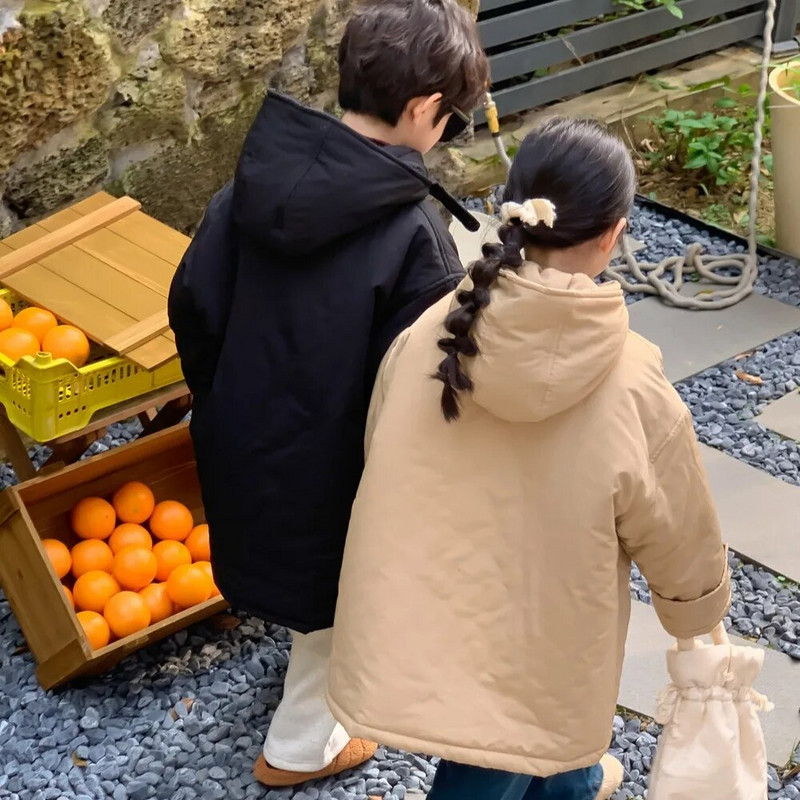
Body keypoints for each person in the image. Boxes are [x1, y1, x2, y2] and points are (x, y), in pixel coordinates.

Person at [328, 118, 732, 800]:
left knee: (518, 731)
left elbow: (382, 453)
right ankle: (564, 777)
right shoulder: (632, 381)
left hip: (438, 604)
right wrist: (698, 620)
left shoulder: (433, 332)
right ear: (613, 234)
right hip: (551, 630)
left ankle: (569, 782)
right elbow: (675, 521)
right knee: (504, 743)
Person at [167, 0, 488, 787]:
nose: (447, 131)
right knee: (342, 599)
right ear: (422, 110)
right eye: (451, 117)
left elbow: (192, 308)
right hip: (338, 480)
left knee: (307, 579)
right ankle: (302, 745)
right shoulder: (415, 234)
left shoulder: (244, 191)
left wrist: (225, 402)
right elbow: (424, 390)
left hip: (242, 448)